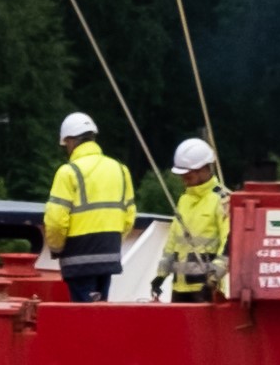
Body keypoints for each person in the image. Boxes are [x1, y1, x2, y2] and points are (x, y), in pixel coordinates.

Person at [39, 114, 137, 301]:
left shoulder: (68, 172)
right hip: (109, 254)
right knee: (100, 310)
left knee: (83, 313)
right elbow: (129, 216)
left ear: (70, 141)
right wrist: (111, 241)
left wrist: (57, 248)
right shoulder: (120, 169)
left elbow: (56, 221)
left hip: (78, 258)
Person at [155, 139, 233, 302]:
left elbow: (230, 244)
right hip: (179, 288)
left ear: (203, 169)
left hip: (206, 289)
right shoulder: (184, 200)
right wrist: (161, 275)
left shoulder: (222, 201)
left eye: (188, 175)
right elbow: (172, 243)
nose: (184, 179)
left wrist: (214, 278)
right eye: (181, 175)